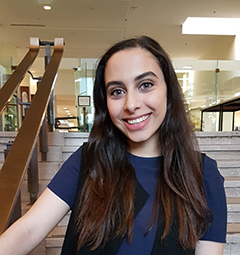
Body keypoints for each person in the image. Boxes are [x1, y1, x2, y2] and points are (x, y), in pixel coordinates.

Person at [0, 36, 227, 255]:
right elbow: (28, 231)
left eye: (146, 84)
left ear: (168, 91)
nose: (131, 104)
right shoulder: (88, 161)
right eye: (117, 91)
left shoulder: (203, 174)